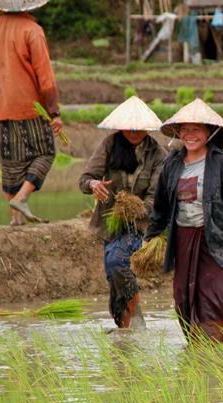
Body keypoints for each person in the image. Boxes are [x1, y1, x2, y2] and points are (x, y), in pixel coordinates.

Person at [144, 99, 223, 347]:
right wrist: (150, 239)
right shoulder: (172, 165)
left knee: (219, 301)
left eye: (197, 129)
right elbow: (161, 208)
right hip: (184, 242)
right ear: (178, 132)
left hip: (219, 244)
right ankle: (200, 353)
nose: (190, 135)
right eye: (185, 129)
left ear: (210, 132)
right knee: (185, 300)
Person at [0, 0, 63, 225]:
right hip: (28, 108)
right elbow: (45, 75)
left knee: (11, 162)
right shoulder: (33, 30)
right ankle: (21, 198)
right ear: (29, 6)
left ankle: (15, 220)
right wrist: (54, 111)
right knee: (46, 152)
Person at [78, 96, 166, 329]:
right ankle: (125, 325)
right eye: (130, 127)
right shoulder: (108, 145)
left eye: (139, 127)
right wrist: (94, 186)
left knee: (118, 262)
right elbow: (85, 179)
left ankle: (135, 318)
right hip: (109, 225)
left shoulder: (157, 154)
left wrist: (135, 208)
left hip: (139, 224)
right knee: (112, 274)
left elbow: (155, 197)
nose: (135, 131)